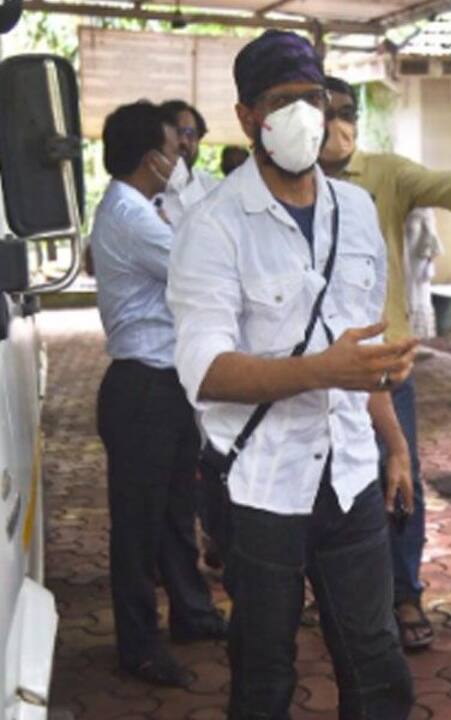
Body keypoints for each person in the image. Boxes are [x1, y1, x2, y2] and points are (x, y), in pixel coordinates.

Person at [167, 30, 417, 719]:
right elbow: (206, 371)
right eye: (283, 101)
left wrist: (395, 444)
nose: (305, 115)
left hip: (350, 475)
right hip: (261, 486)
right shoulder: (213, 225)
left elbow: (358, 351)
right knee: (263, 670)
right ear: (248, 117)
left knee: (376, 662)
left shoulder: (355, 212)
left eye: (314, 98)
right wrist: (318, 371)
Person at [319, 74, 451, 651]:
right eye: (325, 112)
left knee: (398, 475)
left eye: (347, 112)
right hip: (308, 370)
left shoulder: (384, 173)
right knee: (322, 483)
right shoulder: (283, 185)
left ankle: (404, 594)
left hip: (383, 364)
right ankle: (335, 593)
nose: (338, 124)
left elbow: (447, 187)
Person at [91, 101, 226, 689]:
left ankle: (192, 615)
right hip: (142, 388)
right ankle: (139, 647)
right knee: (138, 527)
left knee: (174, 512)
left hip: (165, 386)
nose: (182, 159)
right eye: (175, 150)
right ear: (153, 159)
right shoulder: (129, 215)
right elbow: (200, 269)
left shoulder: (142, 207)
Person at [157, 99, 219, 226]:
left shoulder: (214, 190)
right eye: (176, 133)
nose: (183, 141)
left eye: (190, 134)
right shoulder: (144, 193)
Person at [404, 207, 442, 339]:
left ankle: (415, 332)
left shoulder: (427, 212)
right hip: (402, 256)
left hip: (418, 259)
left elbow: (432, 241)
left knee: (417, 293)